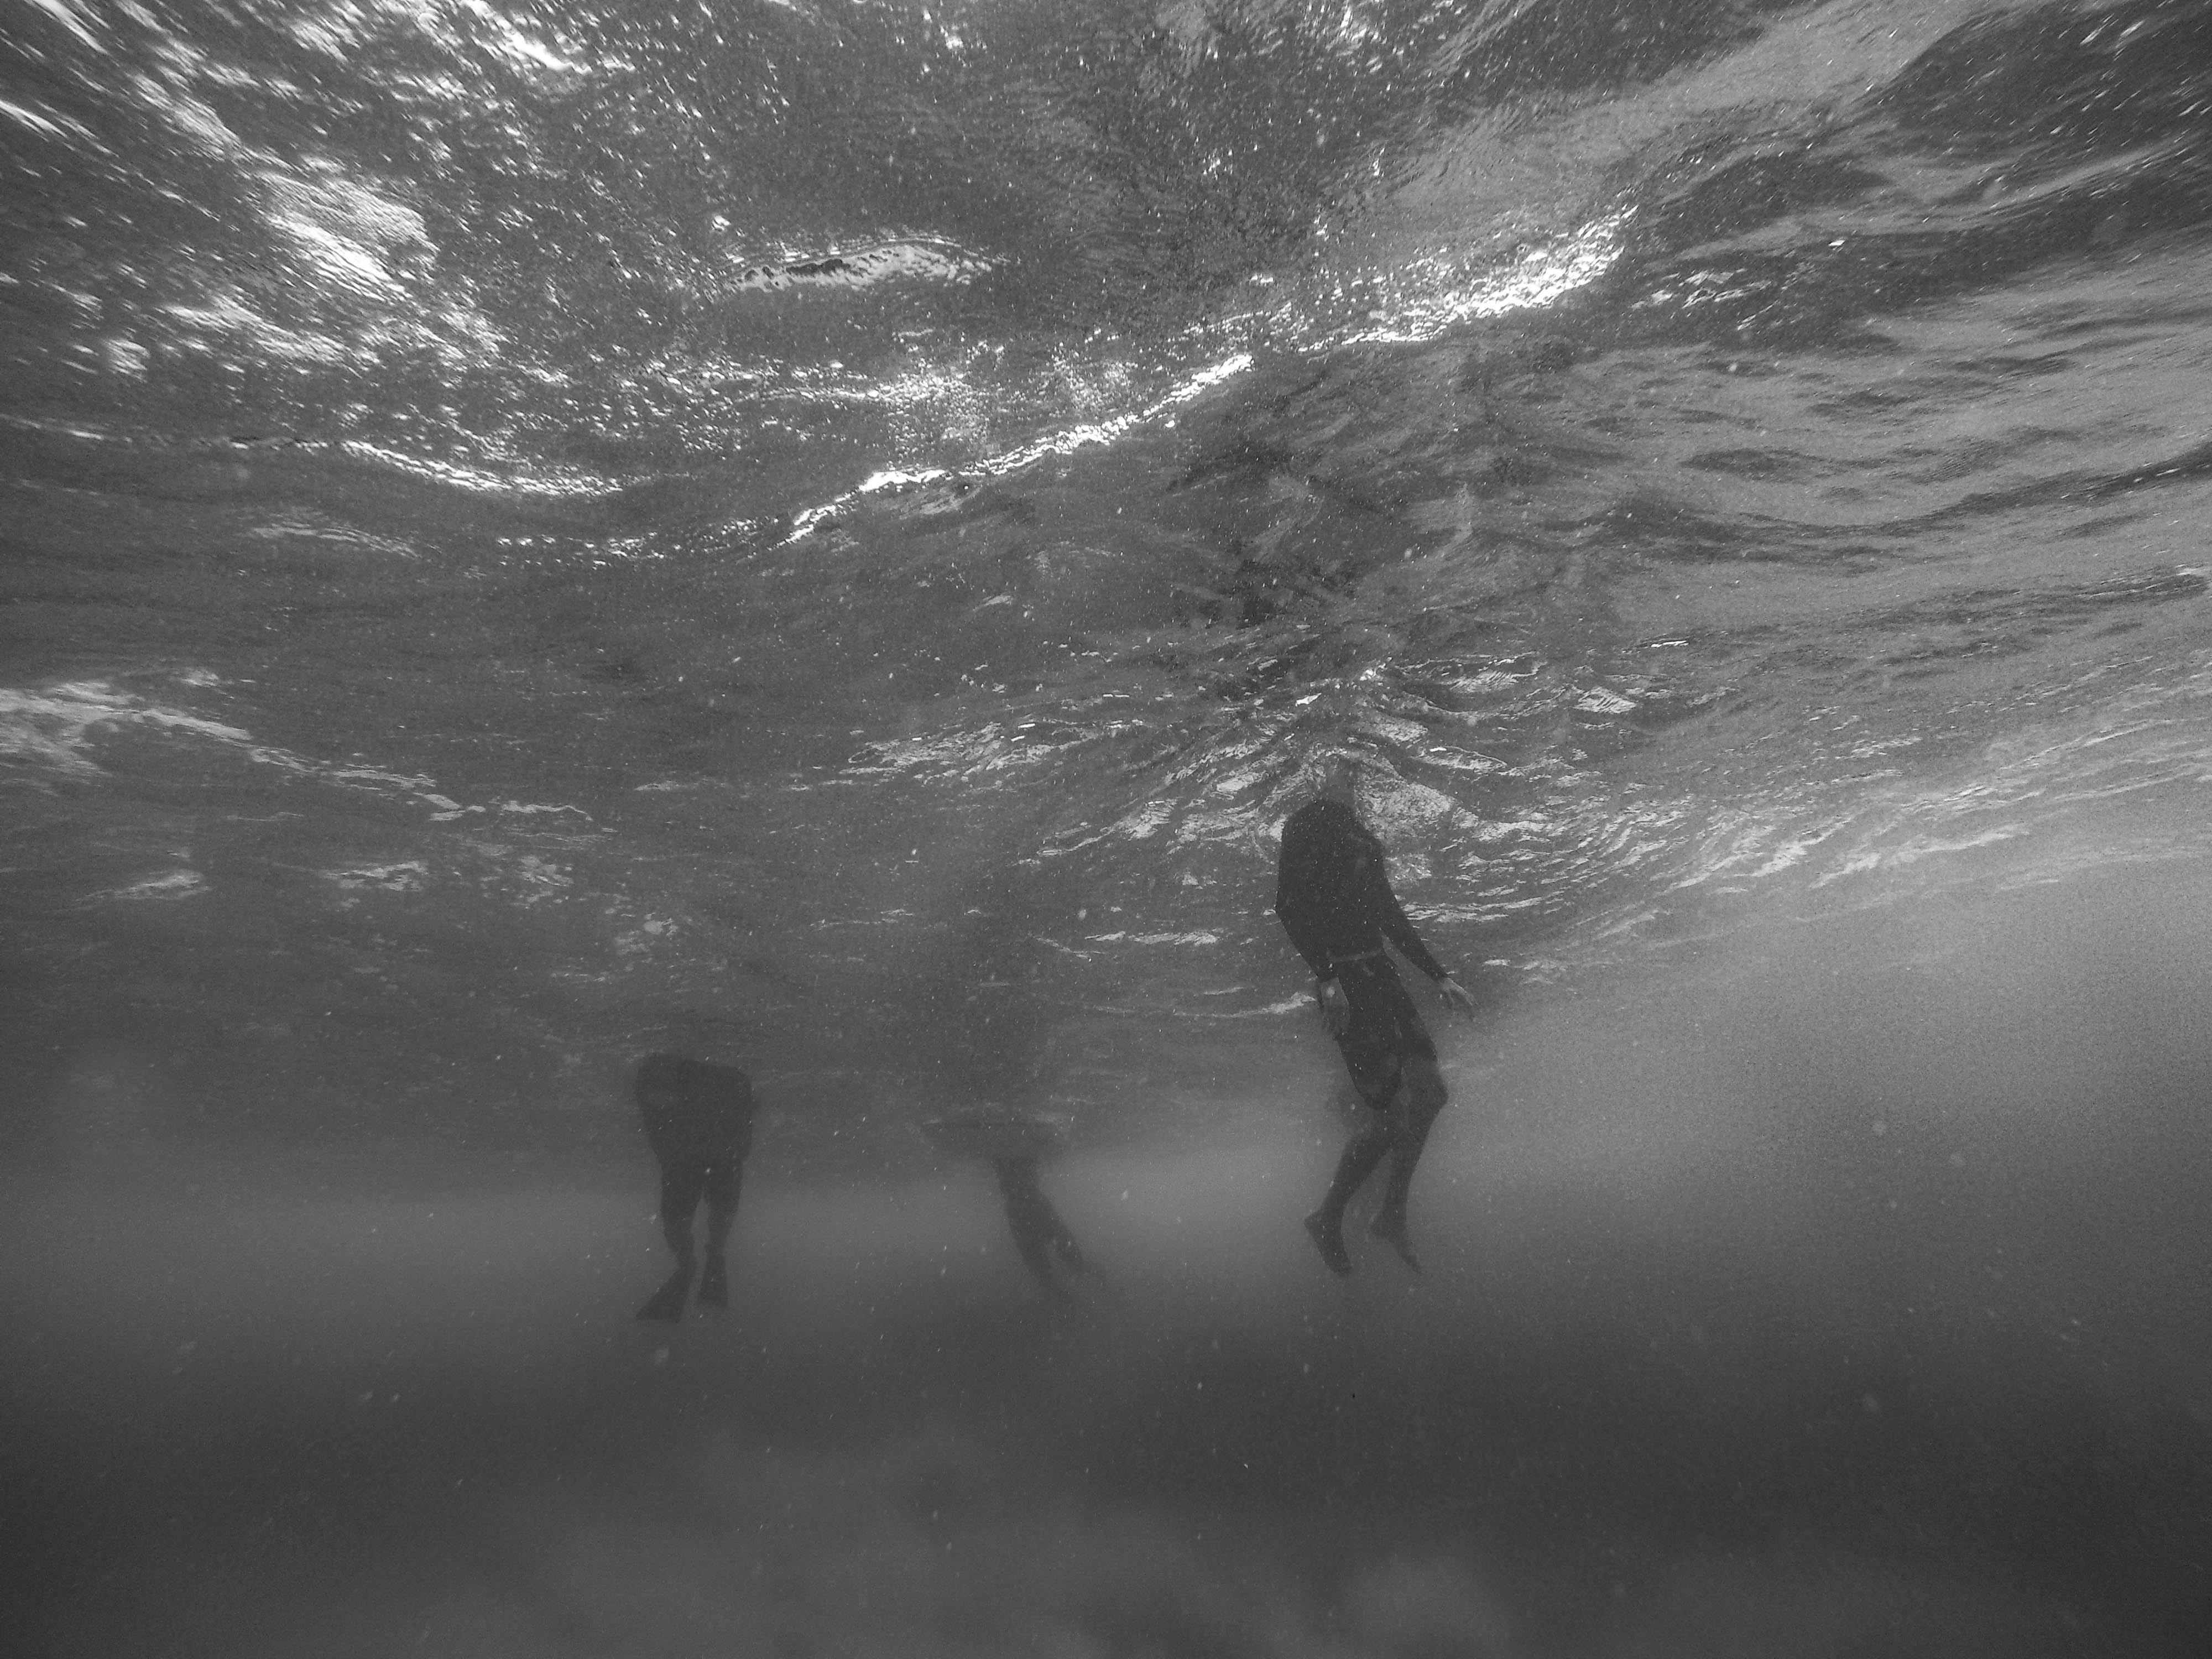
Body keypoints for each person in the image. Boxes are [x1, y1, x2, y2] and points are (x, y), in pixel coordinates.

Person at [1274, 768, 1477, 1275]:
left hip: (1380, 975)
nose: (1351, 779)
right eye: (1341, 771)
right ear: (1321, 777)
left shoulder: (1363, 836)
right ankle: (1327, 1218)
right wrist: (1325, 977)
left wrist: (1439, 977)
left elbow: (1388, 913)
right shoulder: (1303, 826)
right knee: (1390, 1119)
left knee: (1431, 1094)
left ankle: (1391, 1213)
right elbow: (1288, 907)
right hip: (1343, 982)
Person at [923, 1108, 1101, 1302]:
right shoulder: (1008, 1153)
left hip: (1032, 1209)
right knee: (1043, 1268)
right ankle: (1070, 1303)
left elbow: (1041, 1148)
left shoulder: (1013, 1153)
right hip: (1026, 1211)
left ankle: (1092, 1289)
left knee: (1068, 1262)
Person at [634, 1052, 756, 1321]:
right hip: (715, 1153)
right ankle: (707, 1258)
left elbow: (653, 1114)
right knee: (714, 1211)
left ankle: (695, 1264)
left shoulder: (659, 1074)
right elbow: (747, 1117)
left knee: (683, 1219)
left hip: (693, 1156)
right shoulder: (735, 1078)